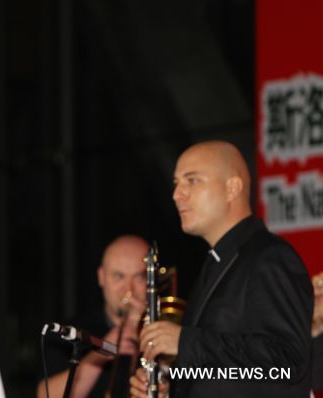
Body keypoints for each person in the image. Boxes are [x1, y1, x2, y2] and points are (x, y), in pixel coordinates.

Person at [130, 140, 313, 398]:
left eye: (192, 180)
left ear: (232, 188)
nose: (176, 194)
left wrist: (185, 342)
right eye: (176, 183)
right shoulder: (215, 265)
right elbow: (229, 373)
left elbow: (287, 364)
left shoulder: (269, 257)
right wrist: (171, 388)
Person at [37, 235, 149, 398]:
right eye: (118, 276)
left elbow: (192, 377)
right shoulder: (71, 333)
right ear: (101, 277)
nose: (128, 290)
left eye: (139, 277)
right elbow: (45, 395)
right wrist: (100, 352)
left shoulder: (169, 329)